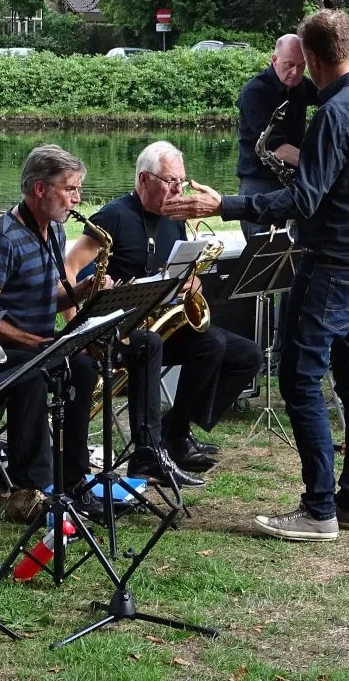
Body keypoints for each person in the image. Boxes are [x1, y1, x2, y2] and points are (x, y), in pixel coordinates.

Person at [166, 9, 349, 543]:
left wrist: (223, 204)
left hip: (331, 262)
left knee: (299, 376)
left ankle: (320, 508)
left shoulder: (336, 113)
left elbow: (302, 198)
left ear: (315, 59)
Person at [0, 145, 199, 524]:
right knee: (49, 374)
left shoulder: (52, 231)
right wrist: (36, 342)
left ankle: (78, 478)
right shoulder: (4, 238)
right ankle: (31, 489)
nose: (77, 198)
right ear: (39, 190)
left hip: (44, 343)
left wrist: (84, 292)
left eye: (78, 188)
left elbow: (47, 295)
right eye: (70, 189)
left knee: (110, 357)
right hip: (6, 351)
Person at [64, 141, 264, 472]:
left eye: (181, 182)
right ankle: (162, 445)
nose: (178, 189)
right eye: (170, 181)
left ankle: (175, 429)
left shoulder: (173, 217)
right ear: (144, 179)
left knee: (246, 355)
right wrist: (76, 333)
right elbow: (70, 267)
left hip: (160, 326)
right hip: (122, 331)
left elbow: (184, 270)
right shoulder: (113, 215)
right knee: (188, 344)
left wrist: (192, 283)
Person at [235, 33, 319, 237]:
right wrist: (318, 165)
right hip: (258, 180)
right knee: (262, 247)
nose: (295, 72)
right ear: (274, 59)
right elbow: (276, 147)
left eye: (302, 66)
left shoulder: (301, 86)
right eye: (289, 64)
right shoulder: (255, 91)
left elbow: (330, 96)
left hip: (290, 179)